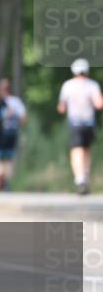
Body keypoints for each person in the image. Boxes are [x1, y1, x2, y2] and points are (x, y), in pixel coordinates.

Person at [58, 58, 103, 195]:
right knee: (86, 150)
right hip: (89, 123)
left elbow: (61, 107)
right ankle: (85, 176)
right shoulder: (92, 85)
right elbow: (99, 104)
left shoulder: (67, 85)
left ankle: (79, 178)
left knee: (76, 150)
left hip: (75, 123)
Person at [0, 78, 27, 191]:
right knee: (8, 158)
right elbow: (23, 118)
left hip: (1, 132)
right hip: (11, 131)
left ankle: (1, 178)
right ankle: (5, 181)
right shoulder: (16, 101)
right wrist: (16, 121)